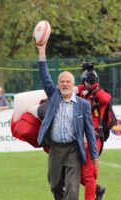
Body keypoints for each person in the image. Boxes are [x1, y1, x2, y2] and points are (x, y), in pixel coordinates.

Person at [36, 42, 99, 200]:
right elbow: (44, 77)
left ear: (73, 84)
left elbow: (89, 131)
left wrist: (94, 155)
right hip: (55, 149)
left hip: (73, 150)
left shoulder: (83, 105)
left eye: (68, 81)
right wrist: (42, 52)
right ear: (58, 84)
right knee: (55, 186)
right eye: (62, 81)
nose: (65, 84)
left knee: (72, 189)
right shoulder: (54, 95)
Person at [76, 62, 111, 200]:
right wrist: (83, 87)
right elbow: (71, 90)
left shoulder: (100, 95)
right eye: (87, 82)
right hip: (79, 138)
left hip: (93, 138)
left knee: (88, 174)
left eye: (91, 82)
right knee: (76, 174)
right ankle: (98, 189)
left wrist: (94, 88)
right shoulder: (79, 92)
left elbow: (106, 98)